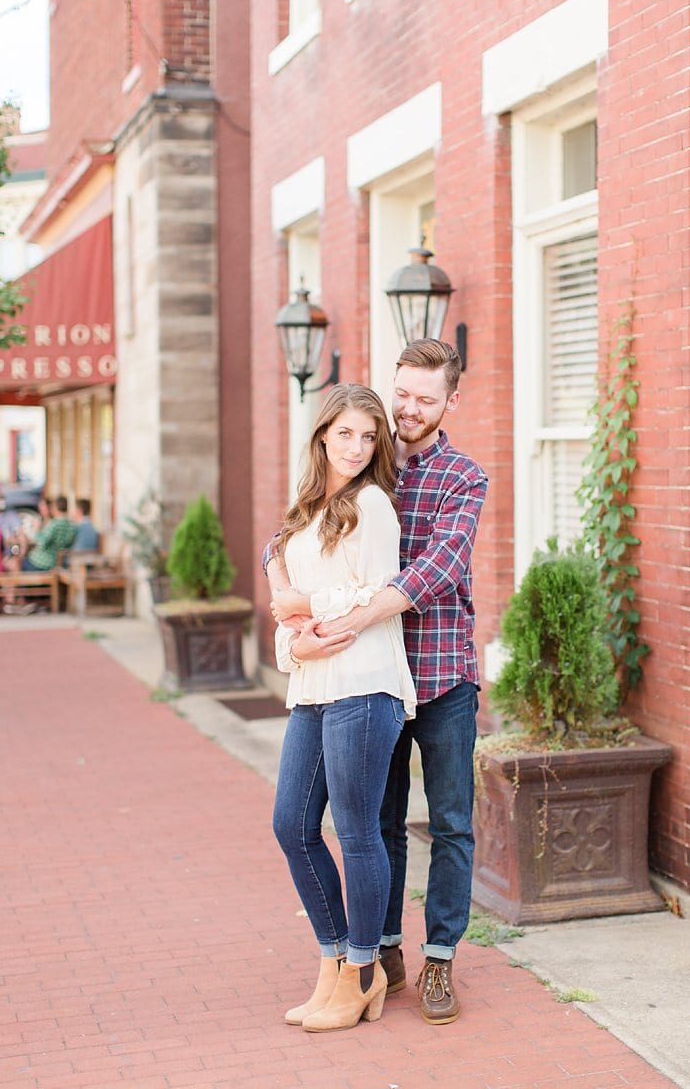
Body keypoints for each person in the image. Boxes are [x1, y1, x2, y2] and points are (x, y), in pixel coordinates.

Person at [269, 337, 488, 1025]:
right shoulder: (370, 457)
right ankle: (381, 952)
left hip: (439, 670)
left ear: (450, 400)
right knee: (380, 823)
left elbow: (431, 573)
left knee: (450, 824)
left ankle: (440, 958)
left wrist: (310, 612)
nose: (409, 408)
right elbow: (296, 535)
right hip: (367, 676)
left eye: (426, 398)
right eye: (403, 393)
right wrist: (287, 596)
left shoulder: (463, 476)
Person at [269, 382, 416, 1033]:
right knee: (291, 825)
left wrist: (305, 608)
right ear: (323, 433)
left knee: (356, 831)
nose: (357, 446)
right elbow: (284, 609)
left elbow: (373, 597)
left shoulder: (374, 505)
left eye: (369, 435)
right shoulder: (304, 512)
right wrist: (292, 633)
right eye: (346, 432)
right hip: (312, 687)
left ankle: (364, 971)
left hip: (364, 685)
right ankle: (332, 964)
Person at [21, 495, 76, 572]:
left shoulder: (54, 524)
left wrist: (36, 530)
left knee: (21, 563)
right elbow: (68, 543)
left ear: (55, 508)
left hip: (42, 563)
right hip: (56, 562)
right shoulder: (71, 525)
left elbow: (41, 542)